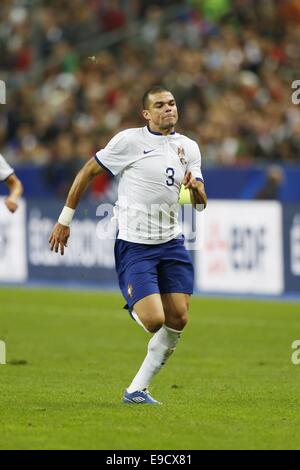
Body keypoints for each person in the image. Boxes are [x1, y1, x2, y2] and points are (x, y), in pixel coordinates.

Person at [49, 86, 207, 405]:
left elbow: (199, 203)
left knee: (179, 318)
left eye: (172, 103)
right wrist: (65, 219)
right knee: (154, 321)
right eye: (160, 105)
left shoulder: (188, 148)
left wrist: (195, 189)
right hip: (135, 245)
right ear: (146, 114)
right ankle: (136, 303)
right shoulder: (128, 141)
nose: (168, 109)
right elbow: (88, 171)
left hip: (172, 242)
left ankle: (136, 390)